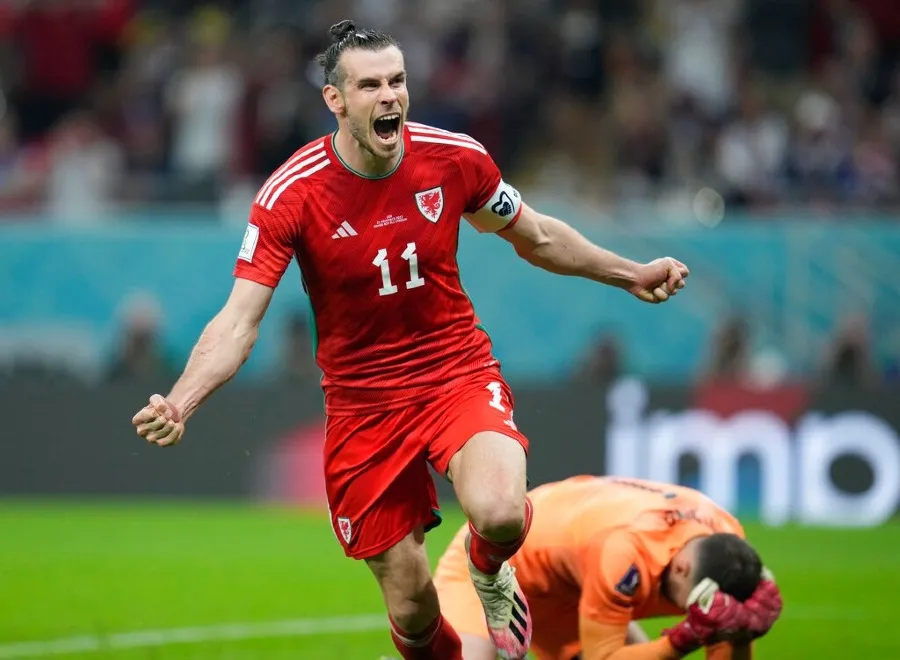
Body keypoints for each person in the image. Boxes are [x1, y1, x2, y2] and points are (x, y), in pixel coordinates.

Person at [130, 20, 690, 660]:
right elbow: (238, 321)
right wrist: (181, 401)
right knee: (412, 606)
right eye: (370, 85)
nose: (389, 96)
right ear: (335, 99)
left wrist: (630, 273)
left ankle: (488, 570)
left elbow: (536, 236)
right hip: (363, 406)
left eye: (397, 81)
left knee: (502, 512)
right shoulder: (292, 192)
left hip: (455, 374)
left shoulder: (454, 158)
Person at [434, 476, 783, 660]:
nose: (695, 613)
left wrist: (739, 632)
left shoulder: (728, 543)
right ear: (681, 568)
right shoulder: (624, 553)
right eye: (695, 603)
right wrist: (684, 638)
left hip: (569, 581)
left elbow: (723, 640)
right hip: (493, 561)